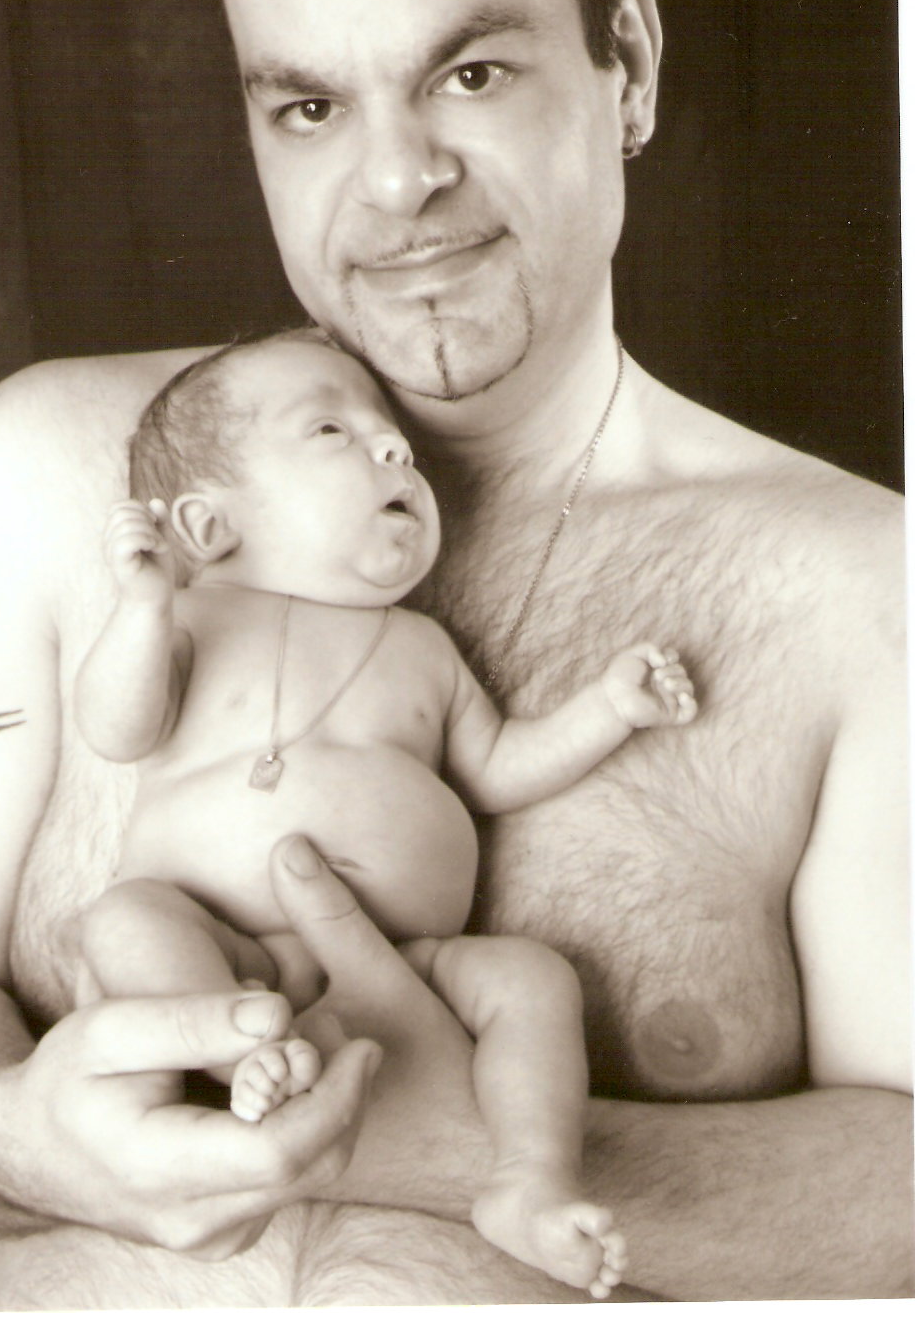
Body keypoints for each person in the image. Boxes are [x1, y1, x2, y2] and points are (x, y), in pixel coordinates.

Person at [0, 0, 910, 1308]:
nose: (395, 180)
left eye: (470, 74)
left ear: (627, 67)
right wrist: (7, 1133)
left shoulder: (865, 589)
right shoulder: (47, 472)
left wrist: (459, 1151)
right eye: (310, 106)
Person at [72, 328, 695, 1293]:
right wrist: (143, 609)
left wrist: (608, 710)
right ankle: (235, 1070)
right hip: (217, 941)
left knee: (532, 980)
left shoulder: (424, 649)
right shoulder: (195, 621)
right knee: (124, 921)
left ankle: (528, 1178)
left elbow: (496, 769)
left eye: (395, 435)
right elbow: (118, 729)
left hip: (414, 966)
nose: (396, 447)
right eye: (332, 430)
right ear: (206, 525)